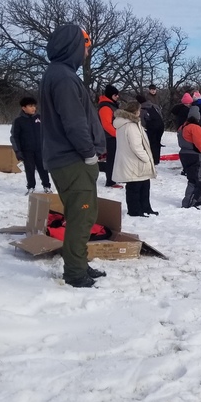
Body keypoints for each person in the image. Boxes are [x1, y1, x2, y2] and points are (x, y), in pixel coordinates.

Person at [38, 23, 107, 289]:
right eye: (85, 47)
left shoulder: (59, 74)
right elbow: (74, 122)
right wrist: (88, 153)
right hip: (72, 159)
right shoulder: (64, 77)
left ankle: (79, 263)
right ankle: (76, 273)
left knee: (83, 215)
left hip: (68, 158)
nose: (87, 52)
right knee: (82, 216)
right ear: (74, 47)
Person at [112, 100, 158, 217]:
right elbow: (136, 146)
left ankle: (145, 208)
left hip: (133, 160)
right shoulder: (130, 125)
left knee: (144, 184)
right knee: (135, 187)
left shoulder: (127, 123)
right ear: (136, 111)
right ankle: (135, 211)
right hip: (134, 160)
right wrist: (146, 158)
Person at [10, 96, 51, 194]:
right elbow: (14, 137)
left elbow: (47, 133)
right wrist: (17, 151)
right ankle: (31, 187)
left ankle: (46, 186)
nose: (34, 108)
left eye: (34, 106)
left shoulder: (40, 118)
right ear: (23, 108)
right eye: (30, 106)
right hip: (27, 150)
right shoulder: (18, 121)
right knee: (29, 169)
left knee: (43, 169)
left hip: (40, 150)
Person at [178, 105, 201, 208]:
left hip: (185, 155)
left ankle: (200, 198)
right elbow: (200, 144)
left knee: (197, 178)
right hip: (197, 156)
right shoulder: (195, 127)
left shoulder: (182, 127)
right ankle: (189, 201)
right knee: (196, 179)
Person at [97, 84, 122, 188]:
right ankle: (110, 181)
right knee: (111, 159)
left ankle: (115, 178)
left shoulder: (111, 105)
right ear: (111, 95)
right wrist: (117, 134)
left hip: (114, 136)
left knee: (116, 158)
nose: (117, 97)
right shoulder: (105, 107)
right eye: (116, 95)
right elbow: (106, 124)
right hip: (110, 137)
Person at [137, 93, 165, 165]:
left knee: (152, 143)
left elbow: (142, 122)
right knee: (157, 142)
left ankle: (153, 159)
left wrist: (145, 127)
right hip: (161, 125)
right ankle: (157, 159)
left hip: (152, 127)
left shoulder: (142, 109)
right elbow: (160, 114)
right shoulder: (154, 106)